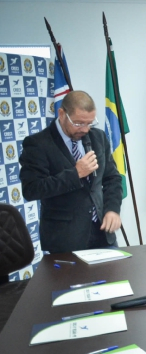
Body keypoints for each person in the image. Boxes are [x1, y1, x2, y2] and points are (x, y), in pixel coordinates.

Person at [19, 90, 122, 254]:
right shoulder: (38, 144)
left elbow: (112, 179)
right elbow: (32, 189)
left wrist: (112, 209)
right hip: (65, 240)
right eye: (79, 123)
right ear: (62, 114)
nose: (85, 129)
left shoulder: (98, 137)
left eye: (89, 123)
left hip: (103, 234)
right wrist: (75, 174)